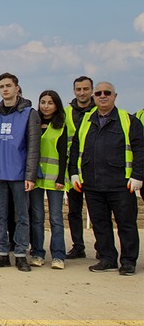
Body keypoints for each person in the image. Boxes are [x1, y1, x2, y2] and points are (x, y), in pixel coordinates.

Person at [69, 82, 143, 276]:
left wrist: (138, 175)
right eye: (99, 93)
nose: (103, 96)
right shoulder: (86, 121)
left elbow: (140, 150)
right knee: (100, 224)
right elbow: (75, 148)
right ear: (94, 97)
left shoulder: (129, 120)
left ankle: (128, 261)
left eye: (107, 93)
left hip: (121, 184)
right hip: (92, 184)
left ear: (114, 96)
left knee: (126, 224)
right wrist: (74, 173)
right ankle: (108, 258)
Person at [0, 72, 40, 272]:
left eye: (8, 85)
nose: (5, 89)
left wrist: (30, 175)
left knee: (22, 216)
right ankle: (1, 253)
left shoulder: (29, 113)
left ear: (17, 88)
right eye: (2, 86)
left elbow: (33, 147)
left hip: (19, 174)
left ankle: (20, 254)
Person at [30, 90, 68, 269]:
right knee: (37, 218)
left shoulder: (61, 126)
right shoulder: (34, 123)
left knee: (56, 218)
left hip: (54, 179)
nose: (46, 106)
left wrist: (61, 178)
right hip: (36, 177)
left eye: (50, 103)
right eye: (43, 102)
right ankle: (38, 253)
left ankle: (58, 255)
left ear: (56, 105)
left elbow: (63, 154)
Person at [63, 76, 96, 259]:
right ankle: (78, 246)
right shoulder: (66, 113)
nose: (82, 93)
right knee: (74, 210)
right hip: (72, 169)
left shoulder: (99, 111)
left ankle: (101, 246)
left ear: (91, 90)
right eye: (78, 89)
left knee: (97, 210)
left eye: (85, 89)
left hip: (93, 168)